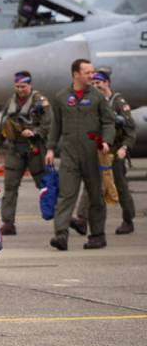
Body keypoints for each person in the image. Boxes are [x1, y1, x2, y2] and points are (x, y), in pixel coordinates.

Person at [45, 60, 116, 251]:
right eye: (87, 72)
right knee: (65, 195)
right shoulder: (61, 97)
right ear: (76, 74)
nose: (92, 75)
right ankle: (61, 235)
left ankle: (97, 235)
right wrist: (51, 149)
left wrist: (106, 141)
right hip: (69, 154)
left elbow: (108, 122)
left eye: (92, 72)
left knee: (95, 196)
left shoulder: (97, 97)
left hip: (93, 153)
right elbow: (56, 126)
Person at [71, 71, 136, 236]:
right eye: (93, 84)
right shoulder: (92, 101)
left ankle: (128, 220)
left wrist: (124, 148)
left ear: (107, 83)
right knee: (89, 184)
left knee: (120, 187)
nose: (95, 86)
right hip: (96, 151)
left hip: (114, 152)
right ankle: (82, 220)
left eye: (98, 83)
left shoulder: (118, 103)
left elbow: (130, 130)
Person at [0, 71, 51, 235]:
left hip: (34, 148)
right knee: (10, 187)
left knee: (44, 184)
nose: (20, 90)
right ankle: (8, 223)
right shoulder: (11, 101)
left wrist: (35, 132)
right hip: (15, 149)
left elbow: (48, 125)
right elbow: (2, 124)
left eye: (23, 86)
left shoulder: (41, 102)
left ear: (30, 85)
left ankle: (58, 215)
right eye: (17, 86)